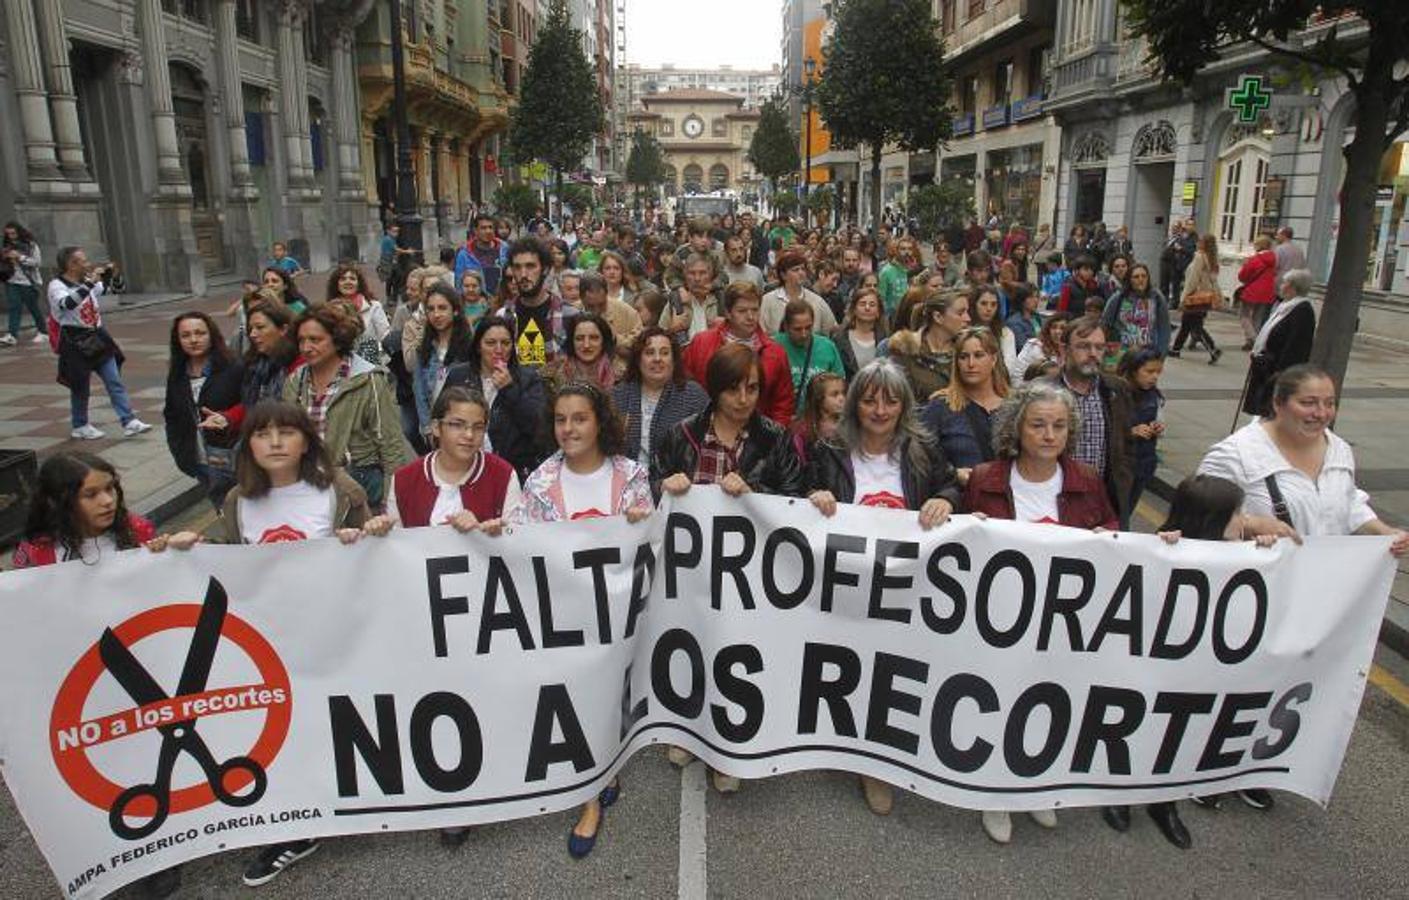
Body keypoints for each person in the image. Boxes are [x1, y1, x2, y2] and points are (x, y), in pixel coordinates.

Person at [179, 400, 370, 887]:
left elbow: (376, 557)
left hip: (331, 635)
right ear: (250, 446)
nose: (276, 442)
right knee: (282, 733)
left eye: (287, 432)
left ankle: (348, 801)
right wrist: (183, 552)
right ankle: (295, 827)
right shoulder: (238, 502)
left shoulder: (337, 492)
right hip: (268, 643)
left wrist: (371, 535)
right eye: (263, 434)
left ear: (307, 439)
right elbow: (230, 563)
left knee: (335, 724)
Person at [962, 381, 1117, 843]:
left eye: (1059, 426)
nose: (1049, 434)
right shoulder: (989, 478)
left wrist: (1106, 537)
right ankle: (995, 795)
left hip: (1062, 621)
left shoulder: (1086, 480)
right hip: (1003, 620)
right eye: (1038, 425)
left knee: (1049, 704)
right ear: (1017, 428)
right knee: (1002, 702)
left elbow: (1111, 529)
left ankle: (1034, 788)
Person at [806, 359, 960, 816]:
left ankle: (875, 766)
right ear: (855, 403)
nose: (879, 409)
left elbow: (951, 485)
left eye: (890, 399)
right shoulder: (829, 448)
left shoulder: (922, 449)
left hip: (903, 591)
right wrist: (815, 496)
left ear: (904, 404)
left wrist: (943, 499)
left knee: (889, 675)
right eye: (870, 399)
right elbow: (800, 493)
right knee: (846, 670)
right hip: (846, 587)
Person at [504, 382, 651, 858]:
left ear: (599, 421)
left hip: (618, 614)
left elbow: (648, 537)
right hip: (565, 615)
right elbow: (523, 546)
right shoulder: (541, 481)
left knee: (610, 700)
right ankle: (590, 798)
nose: (569, 429)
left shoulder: (630, 475)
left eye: (579, 419)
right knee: (577, 701)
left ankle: (604, 772)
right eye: (561, 420)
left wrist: (641, 520)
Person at [1101, 473, 1279, 848]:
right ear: (1211, 519)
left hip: (1202, 670)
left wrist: (1269, 546)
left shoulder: (1246, 549)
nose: (1243, 519)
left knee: (1177, 734)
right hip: (1155, 666)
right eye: (1237, 513)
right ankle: (1117, 795)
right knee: (1136, 728)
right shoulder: (1162, 548)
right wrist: (1161, 549)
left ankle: (1164, 801)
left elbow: (1283, 553)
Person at [1198, 365, 1409, 561]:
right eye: (1308, 403)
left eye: (1329, 403)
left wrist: (1383, 532)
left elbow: (1349, 501)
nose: (1321, 413)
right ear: (1278, 404)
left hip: (1323, 581)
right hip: (1261, 580)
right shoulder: (1234, 454)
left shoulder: (1339, 449)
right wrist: (1253, 524)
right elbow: (1199, 514)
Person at [282, 303, 411, 510]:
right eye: (301, 340)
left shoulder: (368, 380)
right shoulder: (295, 380)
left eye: (315, 340)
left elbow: (391, 445)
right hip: (309, 486)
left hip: (359, 484)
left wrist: (391, 505)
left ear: (337, 339)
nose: (306, 347)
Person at [375, 386, 522, 536]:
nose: (469, 435)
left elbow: (517, 539)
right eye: (457, 425)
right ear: (436, 428)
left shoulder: (502, 475)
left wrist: (488, 534)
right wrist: (378, 532)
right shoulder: (404, 480)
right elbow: (395, 544)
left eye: (478, 427)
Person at [48, 246, 153, 440]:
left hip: (97, 336)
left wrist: (114, 275)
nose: (87, 264)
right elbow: (67, 304)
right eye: (83, 261)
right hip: (74, 340)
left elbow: (114, 289)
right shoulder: (56, 286)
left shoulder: (85, 282)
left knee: (114, 380)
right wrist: (90, 283)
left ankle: (129, 421)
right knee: (80, 386)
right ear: (71, 264)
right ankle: (80, 425)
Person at [1048, 317, 1134, 521]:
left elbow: (1127, 445)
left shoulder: (1117, 390)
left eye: (1099, 347)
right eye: (1084, 347)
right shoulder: (1042, 390)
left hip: (1101, 504)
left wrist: (1123, 483)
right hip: (1054, 501)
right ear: (1064, 349)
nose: (1093, 354)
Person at [443, 316, 548, 479]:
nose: (499, 350)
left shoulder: (528, 378)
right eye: (490, 343)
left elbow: (538, 426)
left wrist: (509, 389)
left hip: (511, 470)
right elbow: (443, 418)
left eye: (505, 343)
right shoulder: (459, 375)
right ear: (478, 346)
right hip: (464, 465)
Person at [681, 281, 795, 426]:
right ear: (728, 313)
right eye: (742, 311)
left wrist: (774, 439)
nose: (750, 317)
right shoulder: (702, 343)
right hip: (706, 430)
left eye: (755, 310)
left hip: (757, 437)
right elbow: (685, 387)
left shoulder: (775, 353)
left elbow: (782, 403)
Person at [163, 312, 243, 509]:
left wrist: (228, 419)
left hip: (234, 460)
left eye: (200, 333)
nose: (193, 340)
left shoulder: (233, 367)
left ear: (211, 335)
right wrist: (180, 453)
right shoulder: (177, 374)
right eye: (186, 335)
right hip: (199, 461)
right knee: (222, 511)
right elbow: (172, 415)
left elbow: (251, 404)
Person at [611, 326, 709, 468]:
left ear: (674, 360)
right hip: (624, 481)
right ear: (638, 360)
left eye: (664, 353)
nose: (657, 359)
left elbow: (707, 445)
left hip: (677, 482)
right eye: (650, 353)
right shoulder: (618, 395)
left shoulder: (694, 396)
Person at [921, 327, 1009, 485]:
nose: (971, 363)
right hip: (959, 498)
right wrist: (952, 474)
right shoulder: (940, 406)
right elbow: (919, 457)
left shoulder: (1014, 406)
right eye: (963, 357)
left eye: (979, 355)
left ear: (994, 359)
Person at [1243, 268, 1316, 418]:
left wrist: (1281, 373)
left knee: (1271, 412)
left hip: (1277, 371)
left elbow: (1296, 347)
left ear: (1293, 287)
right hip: (1265, 366)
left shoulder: (1303, 311)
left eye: (1284, 283)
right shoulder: (1284, 306)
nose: (1281, 286)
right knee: (1261, 412)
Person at [497, 237, 578, 368]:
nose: (523, 274)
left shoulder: (570, 316)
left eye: (530, 266)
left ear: (545, 269)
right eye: (517, 267)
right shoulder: (503, 316)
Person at [413, 284, 475, 437]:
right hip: (435, 425)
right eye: (431, 309)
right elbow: (419, 391)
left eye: (442, 308)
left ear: (455, 310)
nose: (436, 314)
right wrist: (427, 427)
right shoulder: (424, 349)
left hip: (464, 425)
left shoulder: (470, 346)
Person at [886, 291, 970, 402]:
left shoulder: (969, 350)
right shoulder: (906, 349)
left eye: (967, 312)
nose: (968, 318)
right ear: (938, 317)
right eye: (960, 313)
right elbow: (897, 399)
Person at [1118, 347, 1165, 515]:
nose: (1154, 377)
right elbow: (1105, 430)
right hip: (1121, 466)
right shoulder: (1117, 394)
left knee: (1128, 509)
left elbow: (1160, 419)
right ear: (1133, 370)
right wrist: (1130, 432)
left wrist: (1158, 427)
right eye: (1149, 371)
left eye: (1158, 372)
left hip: (1144, 464)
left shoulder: (1155, 396)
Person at [776, 300, 845, 414]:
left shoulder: (827, 347)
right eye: (797, 329)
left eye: (808, 328)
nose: (804, 334)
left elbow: (840, 384)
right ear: (786, 327)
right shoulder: (774, 346)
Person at [1171, 233, 1223, 363]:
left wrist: (1183, 298)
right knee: (1187, 323)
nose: (1197, 242)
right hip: (1205, 295)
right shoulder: (1211, 258)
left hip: (1195, 296)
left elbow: (1192, 280)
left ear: (1204, 244)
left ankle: (1213, 349)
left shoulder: (1199, 257)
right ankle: (1176, 349)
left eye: (1200, 240)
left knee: (1195, 326)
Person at [326, 263, 390, 366]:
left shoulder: (374, 306)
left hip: (370, 364)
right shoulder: (328, 310)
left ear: (359, 283)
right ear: (336, 284)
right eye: (343, 279)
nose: (348, 282)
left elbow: (385, 336)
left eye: (352, 278)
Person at [1101, 262, 1171, 354]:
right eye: (1136, 277)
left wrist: (1161, 354)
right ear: (1129, 280)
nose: (1141, 279)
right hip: (1122, 354)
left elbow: (1164, 328)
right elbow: (1105, 324)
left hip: (1149, 354)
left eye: (1144, 276)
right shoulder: (1118, 298)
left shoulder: (1156, 297)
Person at [761, 250, 837, 335]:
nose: (801, 273)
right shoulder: (768, 301)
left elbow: (832, 329)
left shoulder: (817, 301)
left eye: (803, 269)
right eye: (795, 270)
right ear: (783, 275)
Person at [545, 312, 621, 393]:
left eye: (593, 338)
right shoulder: (552, 375)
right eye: (579, 338)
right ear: (571, 341)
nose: (586, 345)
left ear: (604, 341)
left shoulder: (621, 376)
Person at [2, 221, 46, 345]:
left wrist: (20, 257)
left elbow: (37, 262)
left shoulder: (31, 246)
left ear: (19, 232)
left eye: (13, 233)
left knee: (33, 308)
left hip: (28, 281)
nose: (11, 236)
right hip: (11, 280)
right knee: (14, 307)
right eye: (8, 234)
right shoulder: (6, 245)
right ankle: (12, 335)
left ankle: (43, 332)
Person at [789, 370, 845, 464]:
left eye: (843, 393)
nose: (842, 398)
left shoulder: (849, 426)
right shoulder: (803, 431)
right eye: (835, 394)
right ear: (819, 399)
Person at [580, 270, 641, 353]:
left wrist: (615, 339)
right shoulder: (571, 312)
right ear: (582, 299)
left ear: (606, 294)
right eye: (591, 307)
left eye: (601, 305)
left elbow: (640, 345)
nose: (596, 311)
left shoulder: (627, 312)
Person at [834, 286, 887, 380]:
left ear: (878, 311)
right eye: (862, 304)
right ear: (854, 309)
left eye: (872, 304)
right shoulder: (840, 339)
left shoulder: (886, 341)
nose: (867, 308)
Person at [1236, 234, 1278, 350]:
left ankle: (1253, 339)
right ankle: (1250, 341)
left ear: (1258, 245)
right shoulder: (1274, 259)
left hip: (1253, 291)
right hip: (1268, 291)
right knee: (1258, 317)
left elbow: (1243, 276)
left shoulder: (1255, 259)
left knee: (1243, 315)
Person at [454, 214, 509, 295]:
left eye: (490, 227)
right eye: (483, 228)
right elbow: (459, 284)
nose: (488, 231)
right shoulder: (464, 254)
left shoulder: (505, 249)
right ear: (475, 230)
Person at [968, 285, 1018, 376]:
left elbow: (1009, 367)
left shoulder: (1005, 333)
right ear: (974, 305)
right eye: (983, 303)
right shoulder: (965, 331)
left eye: (993, 304)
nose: (989, 309)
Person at [1013, 311, 1071, 385]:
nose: (1057, 332)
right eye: (1054, 327)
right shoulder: (1034, 346)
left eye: (1062, 328)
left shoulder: (1072, 351)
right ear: (1048, 329)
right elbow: (1017, 375)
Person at [1005, 283, 1043, 350]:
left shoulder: (1037, 317)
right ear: (1022, 299)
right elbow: (1023, 347)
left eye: (1037, 296)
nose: (1036, 300)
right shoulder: (1014, 322)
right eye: (1031, 297)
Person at [1272, 225, 1306, 291]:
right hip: (1295, 280)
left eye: (1278, 235)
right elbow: (1302, 265)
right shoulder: (1299, 249)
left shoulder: (1279, 249)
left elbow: (1275, 265)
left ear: (1283, 235)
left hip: (1281, 280)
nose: (1276, 237)